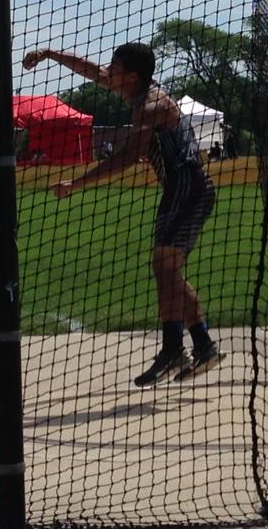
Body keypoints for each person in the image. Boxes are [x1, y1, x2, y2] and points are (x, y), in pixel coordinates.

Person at [23, 42, 223, 386]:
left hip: (188, 187)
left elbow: (128, 156)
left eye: (114, 67)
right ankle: (202, 345)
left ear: (131, 77)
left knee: (165, 266)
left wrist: (77, 184)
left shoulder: (151, 106)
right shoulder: (135, 91)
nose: (107, 71)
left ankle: (175, 349)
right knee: (168, 269)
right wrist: (50, 54)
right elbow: (91, 70)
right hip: (181, 189)